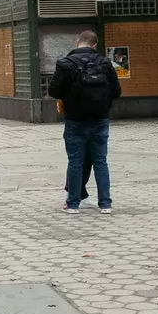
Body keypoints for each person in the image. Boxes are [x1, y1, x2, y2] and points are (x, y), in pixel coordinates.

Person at [45, 29, 121, 214]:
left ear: (77, 42)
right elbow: (117, 91)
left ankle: (73, 204)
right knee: (101, 162)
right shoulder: (104, 63)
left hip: (75, 120)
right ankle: (105, 204)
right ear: (95, 45)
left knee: (75, 162)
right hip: (100, 119)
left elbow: (53, 91)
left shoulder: (65, 63)